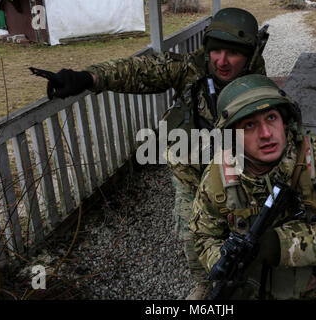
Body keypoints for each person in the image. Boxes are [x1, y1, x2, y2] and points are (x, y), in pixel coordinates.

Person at [35, 8, 268, 299]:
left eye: (232, 53)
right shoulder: (190, 69)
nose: (221, 61)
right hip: (192, 177)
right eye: (216, 50)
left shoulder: (260, 90)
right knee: (190, 235)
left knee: (245, 236)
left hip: (239, 176)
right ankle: (204, 284)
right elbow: (141, 70)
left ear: (249, 54)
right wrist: (89, 78)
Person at [189, 74, 316, 299]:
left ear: (285, 121)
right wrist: (226, 260)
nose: (266, 134)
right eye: (249, 125)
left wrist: (280, 245)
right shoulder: (218, 178)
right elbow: (203, 237)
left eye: (271, 118)